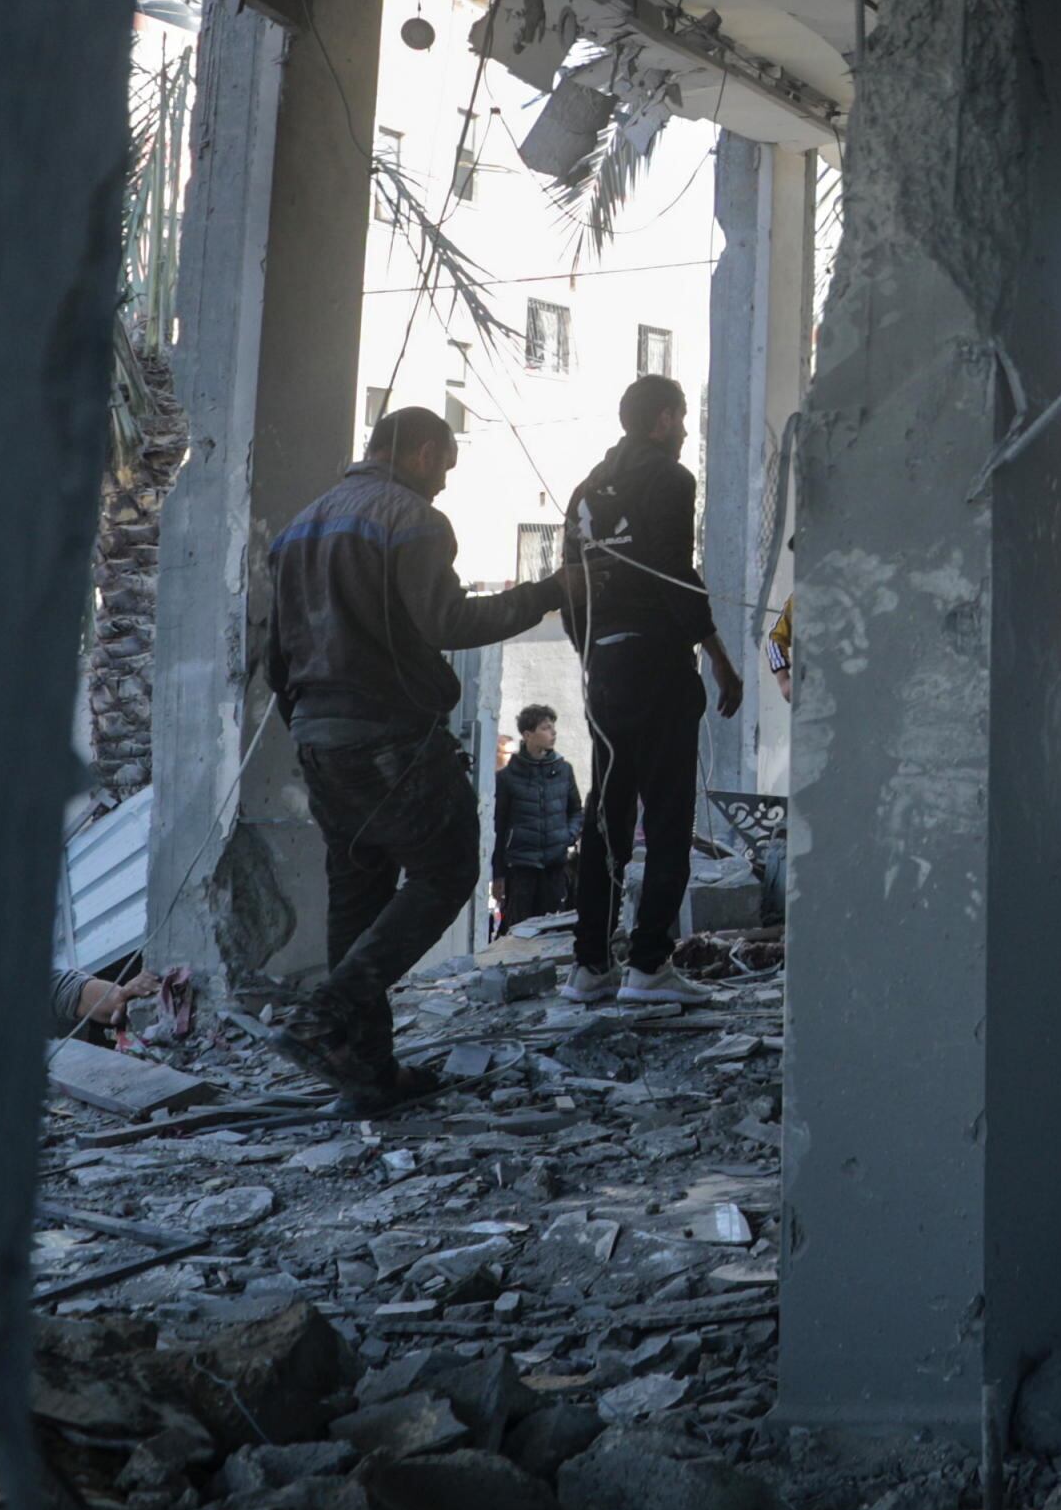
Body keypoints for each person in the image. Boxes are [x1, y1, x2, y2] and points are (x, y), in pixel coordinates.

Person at [258, 406, 561, 1097]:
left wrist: (311, 728)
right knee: (447, 869)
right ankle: (330, 1010)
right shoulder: (412, 519)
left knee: (357, 891)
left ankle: (364, 1073)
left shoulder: (299, 526)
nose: (445, 485)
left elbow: (275, 659)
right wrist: (549, 592)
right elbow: (449, 620)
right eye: (446, 467)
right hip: (390, 735)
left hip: (318, 739)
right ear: (424, 451)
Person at [559, 372, 743, 1002]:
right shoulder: (670, 478)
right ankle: (648, 966)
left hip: (604, 675)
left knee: (607, 819)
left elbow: (570, 585)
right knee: (667, 820)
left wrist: (591, 655)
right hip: (658, 666)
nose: (687, 431)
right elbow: (672, 569)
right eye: (683, 418)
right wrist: (717, 654)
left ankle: (589, 967)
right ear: (663, 419)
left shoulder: (585, 490)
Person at [489, 703, 582, 933]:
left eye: (553, 727)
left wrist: (566, 836)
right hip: (521, 868)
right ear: (528, 734)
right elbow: (499, 828)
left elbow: (576, 811)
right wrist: (498, 874)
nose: (553, 733)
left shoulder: (564, 771)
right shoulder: (508, 778)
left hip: (555, 866)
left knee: (554, 930)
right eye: (545, 728)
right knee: (519, 931)